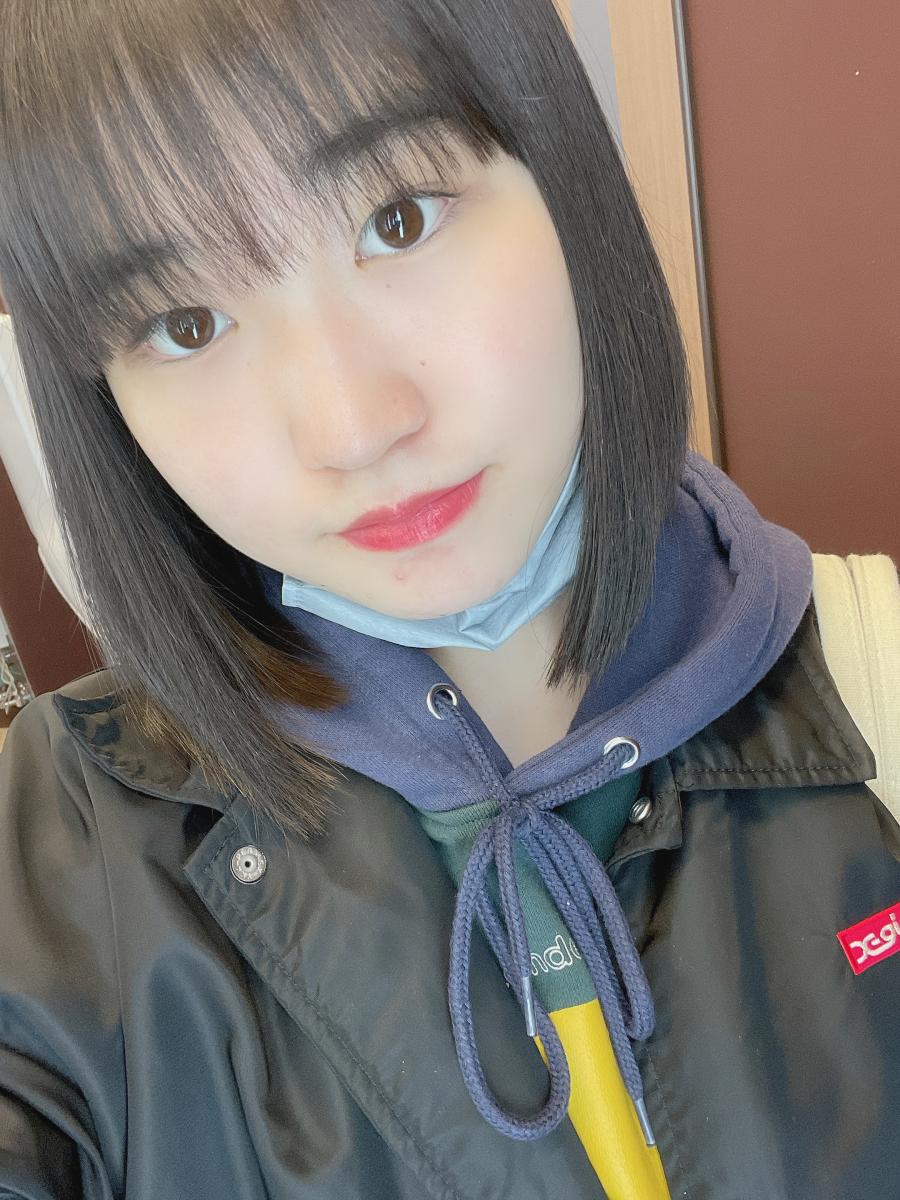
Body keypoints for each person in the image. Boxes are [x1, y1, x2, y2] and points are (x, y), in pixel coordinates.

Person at [0, 1, 897, 1197]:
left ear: (561, 173)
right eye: (187, 323)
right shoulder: (61, 849)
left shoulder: (877, 675)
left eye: (399, 219)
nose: (353, 426)